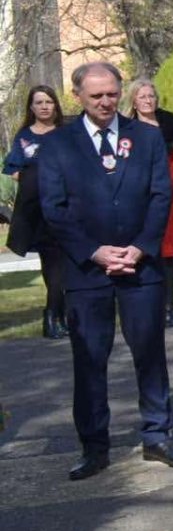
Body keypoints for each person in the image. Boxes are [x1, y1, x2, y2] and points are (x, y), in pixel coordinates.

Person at [39, 62, 173, 478]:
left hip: (140, 268)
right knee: (90, 358)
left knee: (150, 353)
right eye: (96, 96)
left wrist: (140, 248)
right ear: (77, 97)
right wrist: (95, 252)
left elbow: (160, 195)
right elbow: (53, 208)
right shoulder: (58, 145)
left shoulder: (145, 137)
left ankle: (157, 435)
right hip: (87, 272)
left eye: (111, 93)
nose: (106, 102)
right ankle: (94, 446)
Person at [127, 79, 173, 328]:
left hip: (170, 195)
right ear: (133, 100)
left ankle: (169, 306)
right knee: (142, 254)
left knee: (168, 256)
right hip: (137, 197)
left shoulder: (170, 122)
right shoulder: (125, 127)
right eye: (142, 96)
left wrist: (163, 184)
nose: (148, 100)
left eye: (151, 96)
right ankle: (146, 306)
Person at [6, 85, 68, 340]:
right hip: (38, 212)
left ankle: (61, 314)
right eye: (38, 102)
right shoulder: (24, 136)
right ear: (31, 108)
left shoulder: (67, 134)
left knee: (68, 266)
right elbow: (13, 168)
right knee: (52, 265)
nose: (44, 106)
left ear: (56, 105)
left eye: (48, 101)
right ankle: (53, 316)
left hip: (67, 209)